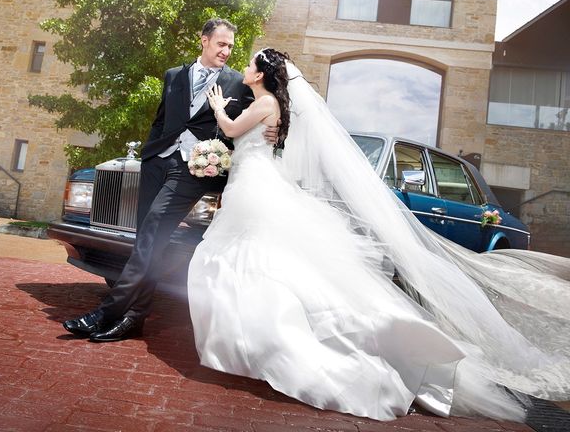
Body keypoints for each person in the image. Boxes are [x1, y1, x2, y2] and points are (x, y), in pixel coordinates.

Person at [188, 48, 570, 421]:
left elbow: (233, 129)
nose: (245, 66)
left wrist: (220, 107)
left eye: (251, 63)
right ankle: (252, 340)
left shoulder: (267, 102)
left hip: (256, 187)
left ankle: (265, 343)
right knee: (260, 264)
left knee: (257, 261)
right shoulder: (273, 104)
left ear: (262, 74)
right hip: (253, 182)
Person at [62, 18, 255, 342]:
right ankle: (134, 318)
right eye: (221, 43)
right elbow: (162, 121)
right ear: (204, 40)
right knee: (147, 242)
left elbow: (247, 128)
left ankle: (105, 312)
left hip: (193, 170)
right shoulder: (174, 76)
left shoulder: (237, 83)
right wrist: (151, 155)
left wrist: (220, 160)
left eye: (231, 46)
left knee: (152, 234)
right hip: (157, 164)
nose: (226, 51)